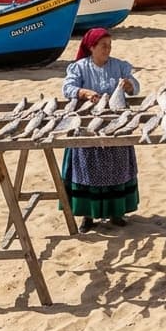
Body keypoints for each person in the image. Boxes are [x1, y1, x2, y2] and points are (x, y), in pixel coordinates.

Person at [61, 28, 141, 233]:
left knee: (117, 169)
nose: (107, 49)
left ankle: (116, 212)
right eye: (103, 46)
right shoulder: (79, 68)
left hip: (115, 126)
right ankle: (88, 215)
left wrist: (129, 86)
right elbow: (67, 88)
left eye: (109, 46)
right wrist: (84, 92)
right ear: (91, 47)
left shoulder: (118, 66)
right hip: (88, 127)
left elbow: (136, 86)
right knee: (88, 171)